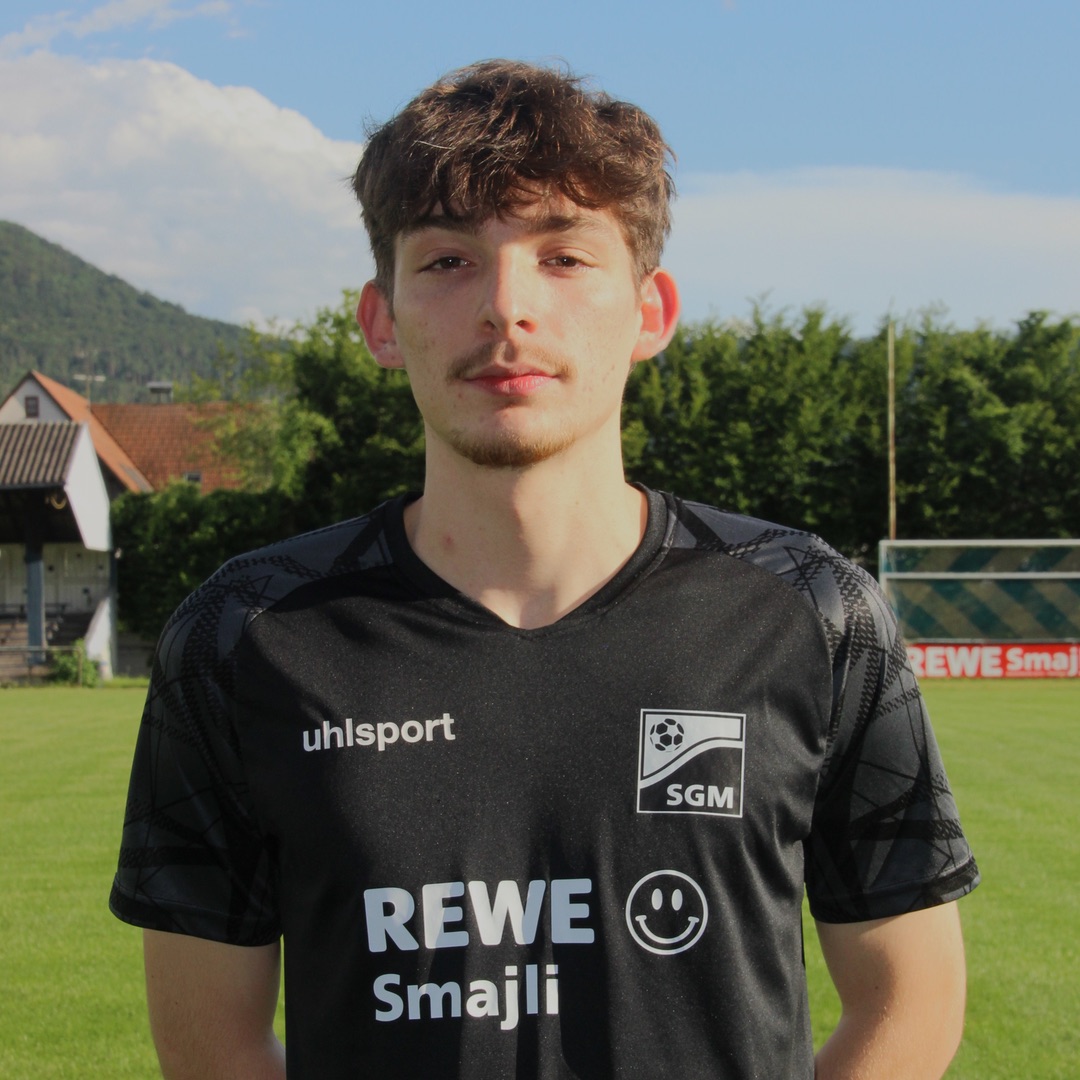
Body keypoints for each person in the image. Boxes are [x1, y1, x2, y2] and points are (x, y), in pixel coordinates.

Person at [110, 59, 979, 1079]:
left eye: (564, 257)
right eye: (448, 261)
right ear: (381, 321)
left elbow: (910, 1000)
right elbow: (208, 1041)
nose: (505, 307)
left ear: (650, 312)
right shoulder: (243, 636)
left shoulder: (812, 610)